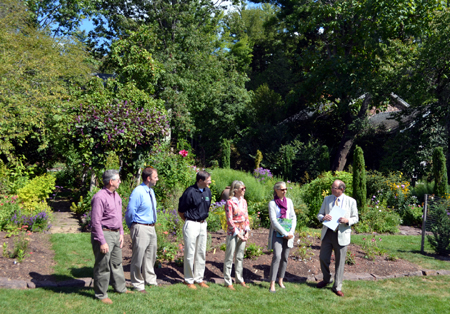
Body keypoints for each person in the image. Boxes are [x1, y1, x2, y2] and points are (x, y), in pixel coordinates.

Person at [91, 169, 133, 304]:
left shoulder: (117, 196)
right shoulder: (100, 197)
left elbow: (118, 217)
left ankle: (120, 288)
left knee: (116, 263)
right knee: (103, 265)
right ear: (111, 181)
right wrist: (102, 241)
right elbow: (95, 221)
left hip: (115, 234)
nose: (120, 181)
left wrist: (121, 233)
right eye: (118, 179)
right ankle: (101, 295)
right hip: (104, 233)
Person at [316, 179, 359, 297]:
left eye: (334, 188)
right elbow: (319, 214)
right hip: (328, 233)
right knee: (323, 258)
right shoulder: (327, 199)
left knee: (340, 262)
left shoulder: (351, 201)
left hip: (342, 234)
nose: (331, 189)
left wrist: (347, 220)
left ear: (342, 189)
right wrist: (323, 217)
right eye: (331, 187)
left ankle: (337, 286)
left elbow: (356, 218)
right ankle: (326, 279)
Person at [125, 167, 159, 293]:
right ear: (149, 178)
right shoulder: (138, 192)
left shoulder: (150, 191)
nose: (157, 179)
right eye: (155, 177)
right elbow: (130, 211)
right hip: (140, 226)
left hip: (151, 227)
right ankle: (138, 284)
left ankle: (150, 280)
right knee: (138, 257)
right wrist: (132, 226)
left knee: (150, 256)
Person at [178, 170, 212, 289]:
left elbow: (207, 208)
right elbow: (181, 210)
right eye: (208, 180)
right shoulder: (190, 192)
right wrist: (189, 221)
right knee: (190, 253)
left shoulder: (208, 191)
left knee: (201, 252)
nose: (210, 182)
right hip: (191, 224)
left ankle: (199, 279)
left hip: (203, 224)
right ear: (200, 181)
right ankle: (188, 280)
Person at [268, 181, 297, 293]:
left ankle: (280, 280)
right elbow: (273, 221)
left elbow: (293, 217)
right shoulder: (272, 203)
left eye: (285, 189)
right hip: (278, 233)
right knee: (277, 256)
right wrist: (284, 233)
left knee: (285, 257)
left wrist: (291, 232)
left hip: (289, 234)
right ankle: (272, 283)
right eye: (282, 189)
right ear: (276, 190)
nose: (284, 191)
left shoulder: (289, 202)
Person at [223, 180, 250, 290]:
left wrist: (247, 231)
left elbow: (246, 217)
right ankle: (227, 281)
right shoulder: (229, 202)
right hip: (233, 232)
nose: (244, 190)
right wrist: (237, 233)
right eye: (242, 188)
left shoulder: (244, 201)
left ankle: (239, 279)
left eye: (244, 188)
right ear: (235, 190)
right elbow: (229, 220)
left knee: (239, 257)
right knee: (229, 257)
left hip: (243, 230)